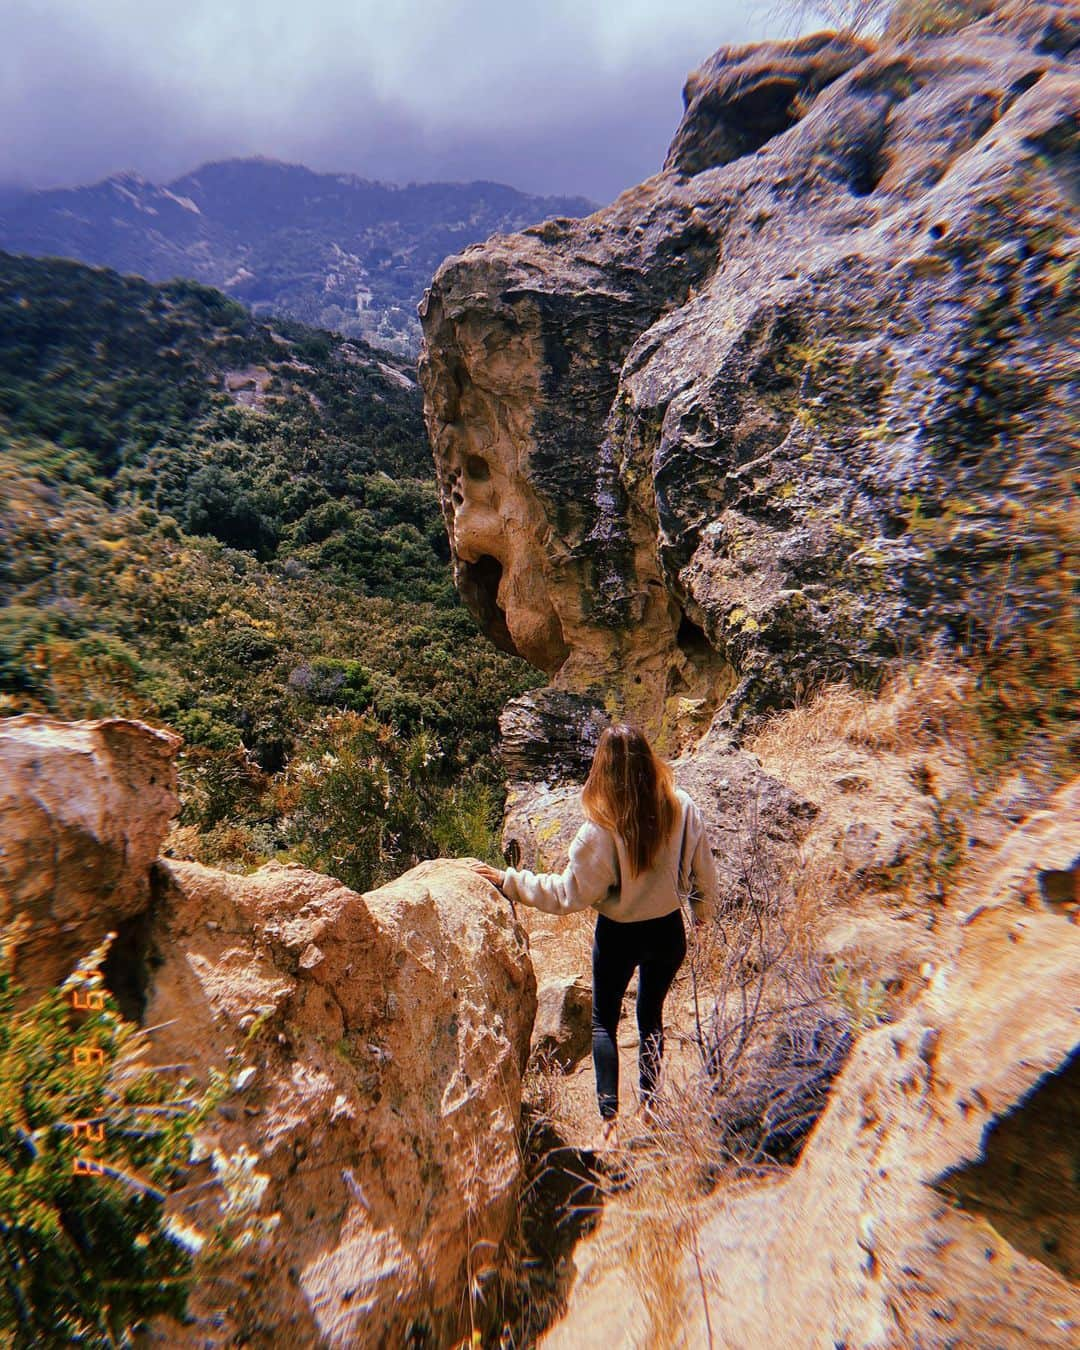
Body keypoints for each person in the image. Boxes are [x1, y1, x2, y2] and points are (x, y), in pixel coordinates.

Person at [474, 724, 717, 1149]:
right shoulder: (682, 807)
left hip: (619, 935)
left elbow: (566, 894)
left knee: (604, 1021)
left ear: (602, 770)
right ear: (649, 760)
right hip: (667, 931)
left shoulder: (599, 831)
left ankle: (608, 1122)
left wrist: (507, 880)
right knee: (650, 1014)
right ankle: (651, 1104)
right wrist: (703, 918)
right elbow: (704, 874)